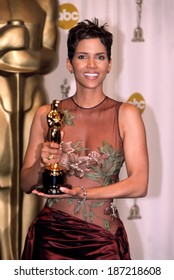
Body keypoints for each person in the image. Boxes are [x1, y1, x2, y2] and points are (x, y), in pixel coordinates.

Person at [21, 18, 149, 260]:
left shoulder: (126, 114)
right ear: (69, 64)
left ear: (110, 64)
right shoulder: (48, 114)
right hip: (51, 239)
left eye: (100, 57)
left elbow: (139, 184)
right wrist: (40, 161)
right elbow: (25, 184)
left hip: (103, 241)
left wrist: (81, 192)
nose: (92, 65)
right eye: (82, 57)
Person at [0, 0, 58, 259]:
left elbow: (49, 55)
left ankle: (24, 261)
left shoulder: (45, 1)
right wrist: (9, 39)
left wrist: (16, 56)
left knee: (32, 178)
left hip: (32, 99)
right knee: (3, 173)